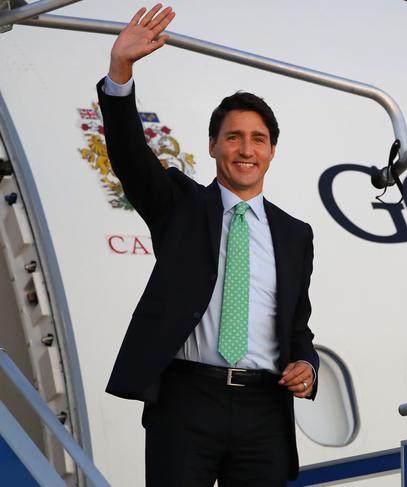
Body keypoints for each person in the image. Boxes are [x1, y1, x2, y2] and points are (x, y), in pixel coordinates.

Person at [97, 4, 319, 486]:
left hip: (265, 409)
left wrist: (307, 365)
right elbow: (131, 157)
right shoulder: (180, 206)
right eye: (234, 137)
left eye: (258, 139)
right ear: (214, 145)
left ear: (271, 152)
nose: (246, 149)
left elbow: (297, 327)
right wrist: (120, 73)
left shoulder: (294, 233)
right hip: (186, 402)